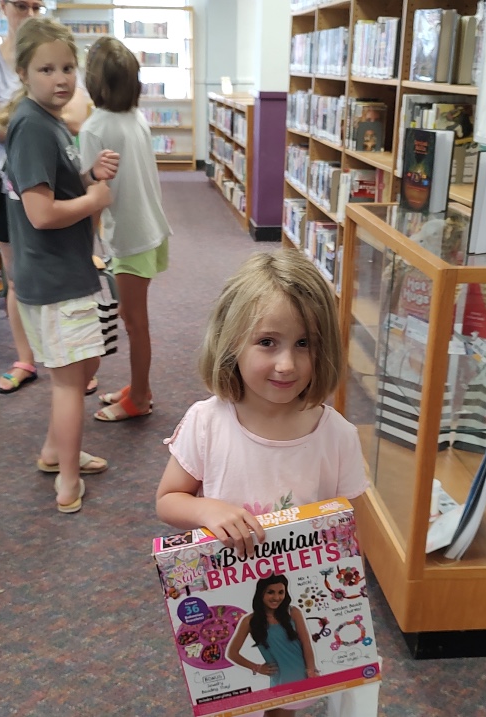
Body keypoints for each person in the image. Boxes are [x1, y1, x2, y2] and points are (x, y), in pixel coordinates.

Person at [156, 249, 369, 717]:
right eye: (267, 342)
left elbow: (349, 525)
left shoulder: (336, 436)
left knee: (287, 697)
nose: (286, 365)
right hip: (229, 596)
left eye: (304, 344)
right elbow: (168, 500)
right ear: (232, 342)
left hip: (299, 600)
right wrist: (207, 509)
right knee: (235, 702)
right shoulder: (208, 422)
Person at [3, 17, 120, 513]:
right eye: (47, 69)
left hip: (63, 272)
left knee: (84, 364)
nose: (61, 78)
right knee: (72, 382)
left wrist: (89, 176)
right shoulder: (32, 126)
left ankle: (56, 452)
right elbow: (41, 212)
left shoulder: (48, 122)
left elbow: (57, 186)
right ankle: (67, 482)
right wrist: (96, 198)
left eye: (68, 67)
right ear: (24, 72)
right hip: (56, 279)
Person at [0, 0, 94, 395]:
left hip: (57, 182)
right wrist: (29, 123)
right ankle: (31, 359)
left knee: (57, 279)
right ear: (4, 7)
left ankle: (65, 361)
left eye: (38, 5)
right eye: (22, 5)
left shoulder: (51, 56)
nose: (30, 12)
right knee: (20, 278)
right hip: (9, 190)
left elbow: (77, 116)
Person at [80, 37, 172, 423]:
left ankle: (140, 395)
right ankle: (137, 386)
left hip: (129, 238)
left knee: (135, 323)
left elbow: (93, 196)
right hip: (152, 230)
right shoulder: (136, 118)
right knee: (135, 320)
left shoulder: (93, 128)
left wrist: (86, 248)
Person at [227, 575, 318, 692]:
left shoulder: (293, 612)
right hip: (280, 683)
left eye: (281, 592)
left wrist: (311, 670)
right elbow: (232, 653)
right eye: (270, 592)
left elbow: (306, 644)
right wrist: (257, 668)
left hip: (305, 676)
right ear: (261, 593)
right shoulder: (249, 621)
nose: (276, 597)